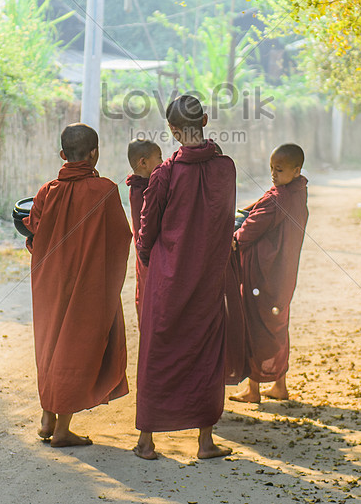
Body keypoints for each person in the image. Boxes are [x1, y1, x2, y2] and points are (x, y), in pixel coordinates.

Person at [133, 95, 236, 461]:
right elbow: (224, 220)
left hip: (168, 276)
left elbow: (148, 227)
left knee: (158, 351)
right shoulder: (226, 168)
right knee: (205, 351)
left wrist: (148, 259)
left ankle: (146, 439)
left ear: (173, 132)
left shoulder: (164, 174)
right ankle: (205, 441)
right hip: (208, 275)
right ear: (205, 120)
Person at [22, 123, 132, 447]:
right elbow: (120, 239)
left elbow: (34, 234)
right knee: (75, 348)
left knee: (49, 345)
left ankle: (47, 416)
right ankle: (61, 430)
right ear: (95, 153)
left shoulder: (46, 191)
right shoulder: (106, 191)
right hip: (87, 284)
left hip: (48, 282)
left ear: (62, 155)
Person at [229, 144, 310, 404]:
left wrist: (233, 234)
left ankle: (253, 390)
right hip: (283, 276)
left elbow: (248, 231)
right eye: (272, 169)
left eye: (280, 170)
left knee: (257, 328)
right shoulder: (298, 192)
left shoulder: (278, 199)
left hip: (263, 276)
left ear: (296, 170)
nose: (274, 174)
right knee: (278, 326)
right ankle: (279, 385)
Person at [126, 138, 162, 325]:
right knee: (151, 296)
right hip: (148, 253)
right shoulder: (141, 190)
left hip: (147, 253)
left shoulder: (141, 186)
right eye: (159, 157)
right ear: (144, 163)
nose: (162, 162)